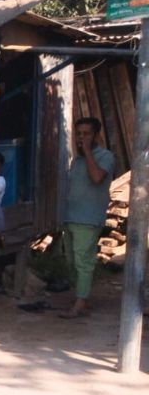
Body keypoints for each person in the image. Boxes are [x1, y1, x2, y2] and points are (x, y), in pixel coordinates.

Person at [61, 117, 116, 319]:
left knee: (83, 261)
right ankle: (81, 299)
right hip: (71, 216)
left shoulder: (105, 157)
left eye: (87, 134)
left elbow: (96, 178)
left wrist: (87, 152)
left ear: (96, 135)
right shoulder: (78, 160)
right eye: (79, 134)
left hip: (88, 218)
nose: (81, 138)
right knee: (71, 261)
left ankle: (80, 301)